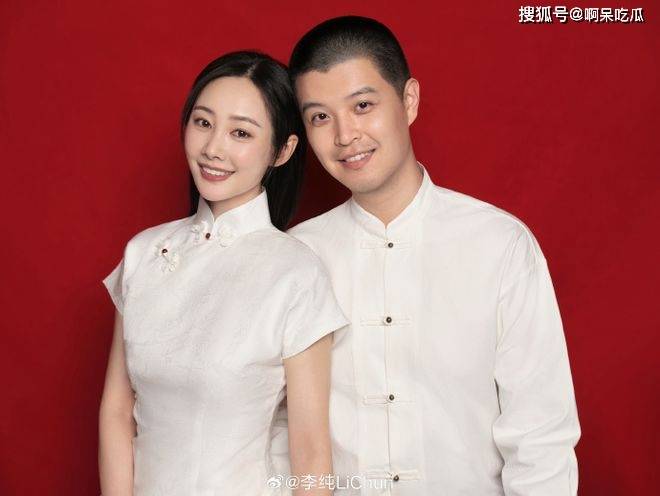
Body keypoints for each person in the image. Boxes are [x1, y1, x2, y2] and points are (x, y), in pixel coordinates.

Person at [271, 16, 581, 495]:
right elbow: (274, 429)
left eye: (363, 105)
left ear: (409, 100)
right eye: (320, 117)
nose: (345, 135)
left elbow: (541, 438)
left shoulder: (499, 245)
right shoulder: (296, 257)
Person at [98, 51, 348, 496]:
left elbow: (311, 452)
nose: (213, 148)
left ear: (283, 150)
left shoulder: (296, 273)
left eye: (241, 133)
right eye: (203, 122)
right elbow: (117, 411)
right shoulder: (144, 253)